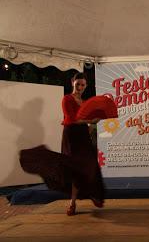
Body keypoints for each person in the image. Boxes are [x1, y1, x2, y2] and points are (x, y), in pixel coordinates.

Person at [20, 72, 105, 216]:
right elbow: (71, 119)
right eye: (77, 84)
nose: (80, 87)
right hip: (71, 135)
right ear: (72, 82)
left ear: (86, 86)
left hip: (83, 136)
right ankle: (72, 203)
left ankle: (92, 193)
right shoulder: (66, 99)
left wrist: (95, 121)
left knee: (90, 164)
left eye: (83, 85)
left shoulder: (85, 102)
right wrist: (90, 121)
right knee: (73, 168)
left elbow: (86, 121)